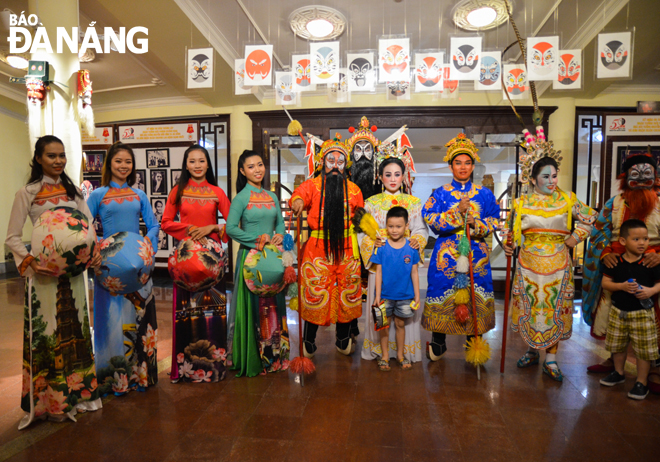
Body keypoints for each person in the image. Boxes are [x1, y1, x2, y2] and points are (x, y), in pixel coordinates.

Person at [5, 135, 102, 429]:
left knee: (78, 331)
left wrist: (94, 253)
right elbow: (11, 237)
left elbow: (88, 228)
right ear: (38, 159)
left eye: (62, 155)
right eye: (51, 156)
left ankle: (78, 395)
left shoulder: (74, 191)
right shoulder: (28, 192)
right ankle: (49, 403)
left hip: (73, 275)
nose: (58, 161)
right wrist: (33, 262)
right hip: (44, 277)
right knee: (46, 335)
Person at [503, 155, 597, 381]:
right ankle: (531, 351)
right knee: (532, 306)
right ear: (533, 180)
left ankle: (551, 359)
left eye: (554, 176)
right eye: (546, 176)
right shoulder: (520, 203)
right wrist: (509, 246)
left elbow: (591, 217)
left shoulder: (567, 199)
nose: (552, 181)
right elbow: (511, 231)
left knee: (554, 307)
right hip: (529, 264)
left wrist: (575, 237)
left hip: (559, 263)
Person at [582, 153, 660, 393]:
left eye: (648, 174)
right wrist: (605, 253)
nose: (643, 179)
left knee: (652, 319)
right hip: (618, 265)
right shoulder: (613, 203)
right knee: (611, 315)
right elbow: (598, 232)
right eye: (636, 175)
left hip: (653, 267)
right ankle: (615, 362)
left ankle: (654, 368)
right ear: (626, 179)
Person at [87, 142, 160, 395]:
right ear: (109, 164)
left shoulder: (139, 195)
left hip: (138, 266)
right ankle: (114, 379)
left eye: (128, 162)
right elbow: (84, 228)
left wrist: (146, 244)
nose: (123, 166)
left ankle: (141, 376)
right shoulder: (98, 195)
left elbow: (153, 225)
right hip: (110, 269)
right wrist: (97, 248)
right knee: (112, 320)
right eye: (118, 161)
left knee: (138, 319)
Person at [422, 133, 500, 360]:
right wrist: (456, 213)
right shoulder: (439, 193)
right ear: (450, 166)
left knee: (476, 294)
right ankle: (438, 342)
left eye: (467, 163)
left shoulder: (485, 194)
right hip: (446, 254)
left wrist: (477, 222)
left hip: (476, 253)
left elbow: (495, 220)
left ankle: (473, 343)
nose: (463, 167)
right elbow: (429, 217)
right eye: (458, 163)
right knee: (442, 291)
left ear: (473, 165)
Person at [161, 144, 231, 383]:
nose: (198, 165)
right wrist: (189, 230)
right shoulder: (177, 191)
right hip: (187, 261)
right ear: (186, 164)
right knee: (186, 312)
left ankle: (214, 368)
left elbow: (232, 227)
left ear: (208, 164)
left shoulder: (217, 192)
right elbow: (166, 223)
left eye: (202, 161)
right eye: (192, 161)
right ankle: (185, 370)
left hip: (212, 262)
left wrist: (212, 227)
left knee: (212, 311)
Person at [290, 134, 364, 356]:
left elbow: (360, 218)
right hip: (318, 246)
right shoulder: (312, 185)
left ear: (345, 165)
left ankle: (343, 337)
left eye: (340, 162)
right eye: (330, 161)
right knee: (316, 290)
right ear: (322, 162)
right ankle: (309, 339)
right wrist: (298, 202)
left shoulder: (354, 190)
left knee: (347, 291)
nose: (335, 166)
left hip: (348, 247)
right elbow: (298, 194)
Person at [358, 155, 427, 363]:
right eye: (388, 174)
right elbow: (362, 233)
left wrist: (416, 241)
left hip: (404, 265)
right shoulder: (371, 203)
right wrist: (373, 244)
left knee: (403, 314)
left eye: (397, 174)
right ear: (380, 177)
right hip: (382, 263)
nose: (393, 179)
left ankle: (403, 351)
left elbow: (421, 229)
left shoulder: (414, 203)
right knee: (381, 310)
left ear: (404, 176)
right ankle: (381, 351)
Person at [226, 150, 289, 377]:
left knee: (274, 306)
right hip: (250, 259)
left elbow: (280, 223)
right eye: (251, 167)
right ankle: (255, 358)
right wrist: (255, 241)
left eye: (260, 164)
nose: (257, 170)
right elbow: (230, 228)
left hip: (271, 258)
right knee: (254, 309)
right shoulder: (241, 197)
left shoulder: (272, 196)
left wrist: (279, 235)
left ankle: (275, 358)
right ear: (243, 172)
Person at [599, 219, 660, 400]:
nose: (642, 243)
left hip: (642, 313)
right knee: (618, 346)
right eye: (636, 239)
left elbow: (659, 284)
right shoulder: (615, 262)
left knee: (643, 349)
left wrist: (651, 291)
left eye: (645, 239)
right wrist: (622, 287)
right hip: (618, 311)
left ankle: (641, 382)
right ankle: (618, 373)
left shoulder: (651, 262)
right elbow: (605, 283)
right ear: (623, 241)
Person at [372, 206, 421, 371]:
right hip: (384, 296)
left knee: (400, 325)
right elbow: (378, 272)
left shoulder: (412, 248)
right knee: (383, 327)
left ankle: (400, 355)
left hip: (405, 296)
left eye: (398, 226)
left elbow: (414, 273)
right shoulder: (381, 246)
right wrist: (377, 296)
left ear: (406, 227)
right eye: (390, 226)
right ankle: (384, 356)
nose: (394, 230)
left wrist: (417, 296)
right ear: (386, 226)